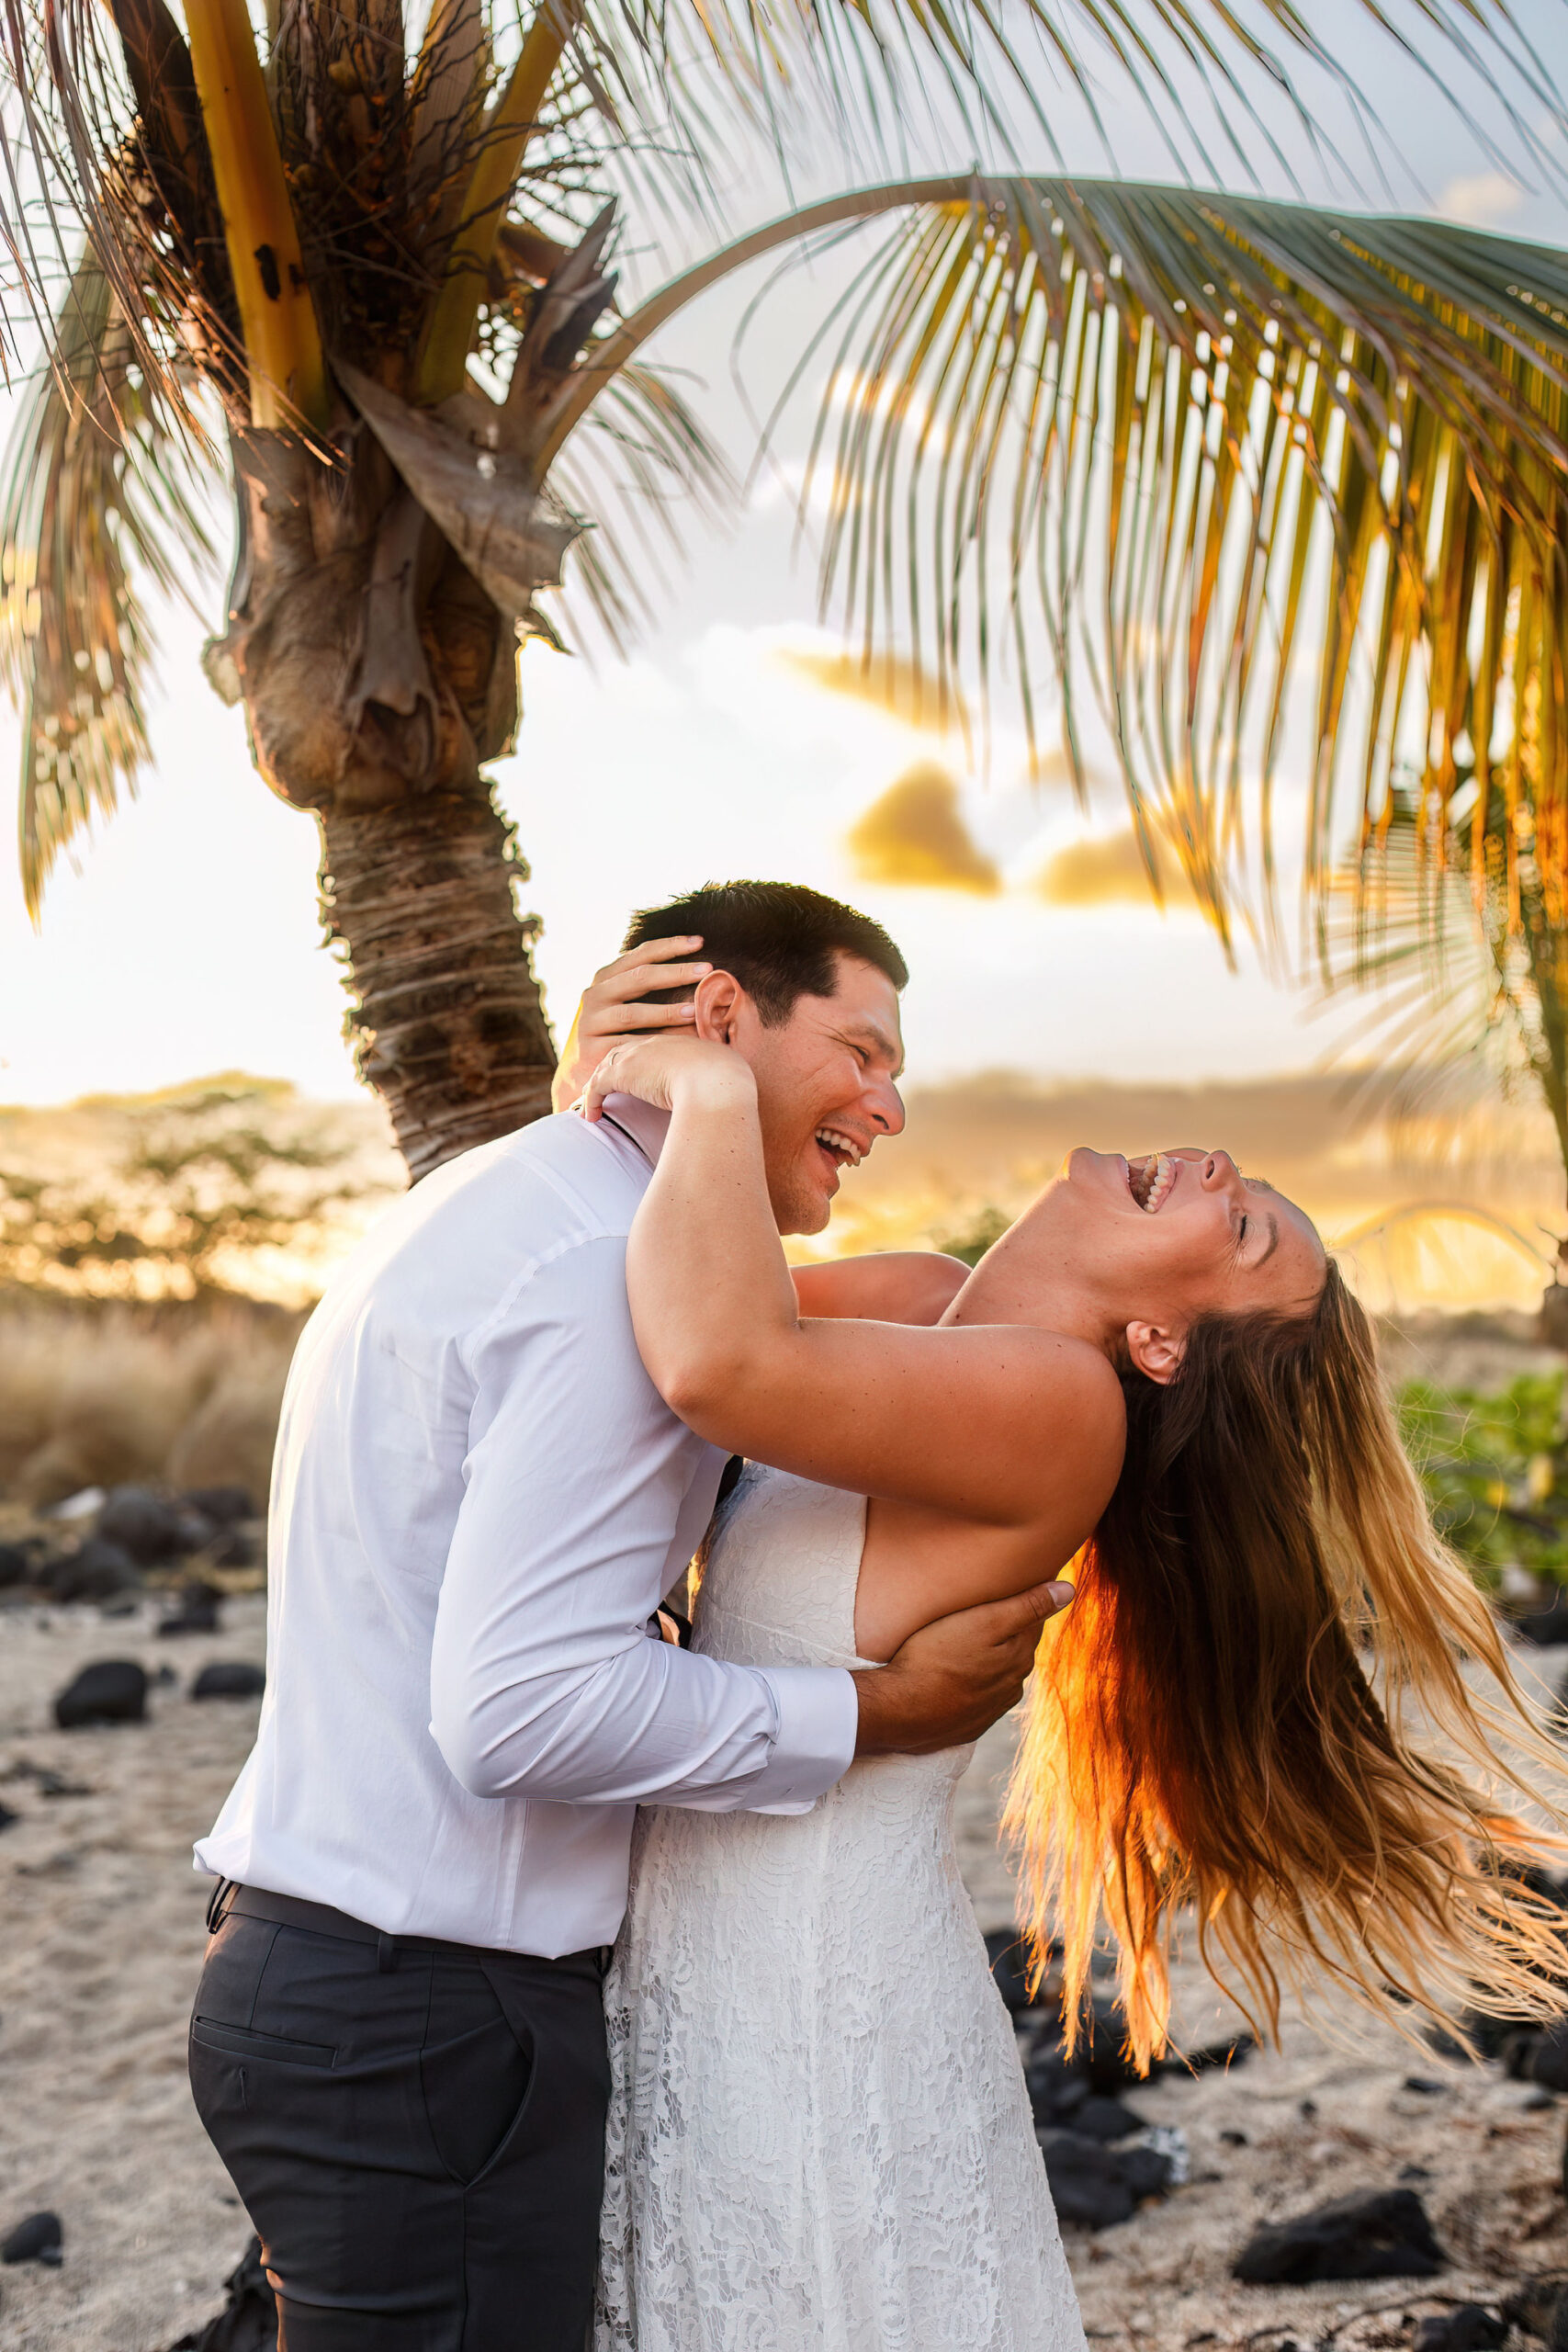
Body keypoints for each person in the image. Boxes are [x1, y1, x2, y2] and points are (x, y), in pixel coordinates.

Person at [186, 881, 1075, 2352]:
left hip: (334, 1979)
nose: (890, 1105)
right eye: (863, 1050)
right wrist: (876, 1711)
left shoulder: (517, 1201)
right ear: (723, 1018)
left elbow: (868, 1322)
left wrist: (687, 1111)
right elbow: (520, 1707)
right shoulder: (603, 1275)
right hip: (425, 2018)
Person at [581, 1028, 1568, 2352]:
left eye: (1250, 1233)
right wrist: (592, 1092)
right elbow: (614, 1312)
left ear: (1160, 1340)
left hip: (809, 1980)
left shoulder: (1056, 1407)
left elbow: (716, 1366)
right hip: (720, 1937)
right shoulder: (933, 1302)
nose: (1224, 1169)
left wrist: (702, 1085)